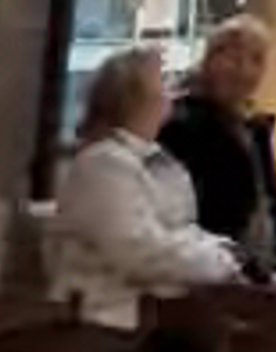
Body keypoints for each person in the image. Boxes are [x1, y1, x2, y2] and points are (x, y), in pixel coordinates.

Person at [45, 43, 245, 321]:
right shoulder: (101, 165)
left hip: (161, 315)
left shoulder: (162, 163)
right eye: (163, 80)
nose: (172, 89)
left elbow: (183, 231)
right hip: (107, 321)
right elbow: (143, 253)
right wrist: (218, 261)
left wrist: (220, 250)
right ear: (135, 96)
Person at [163, 12, 276, 292]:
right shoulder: (180, 124)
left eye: (255, 60)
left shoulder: (253, 129)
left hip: (263, 280)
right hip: (211, 277)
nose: (243, 71)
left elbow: (273, 202)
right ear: (209, 58)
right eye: (233, 56)